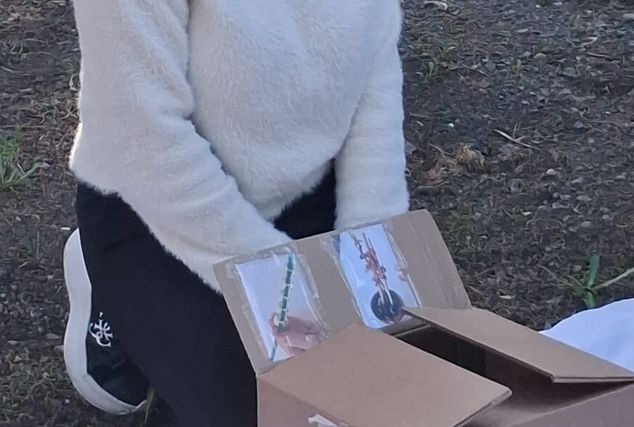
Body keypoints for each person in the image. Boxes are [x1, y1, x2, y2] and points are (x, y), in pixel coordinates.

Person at [62, 0, 410, 425]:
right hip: (154, 207)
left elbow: (375, 86)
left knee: (389, 391)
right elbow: (140, 134)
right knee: (276, 412)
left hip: (305, 191)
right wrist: (285, 288)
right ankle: (112, 295)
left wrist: (370, 260)